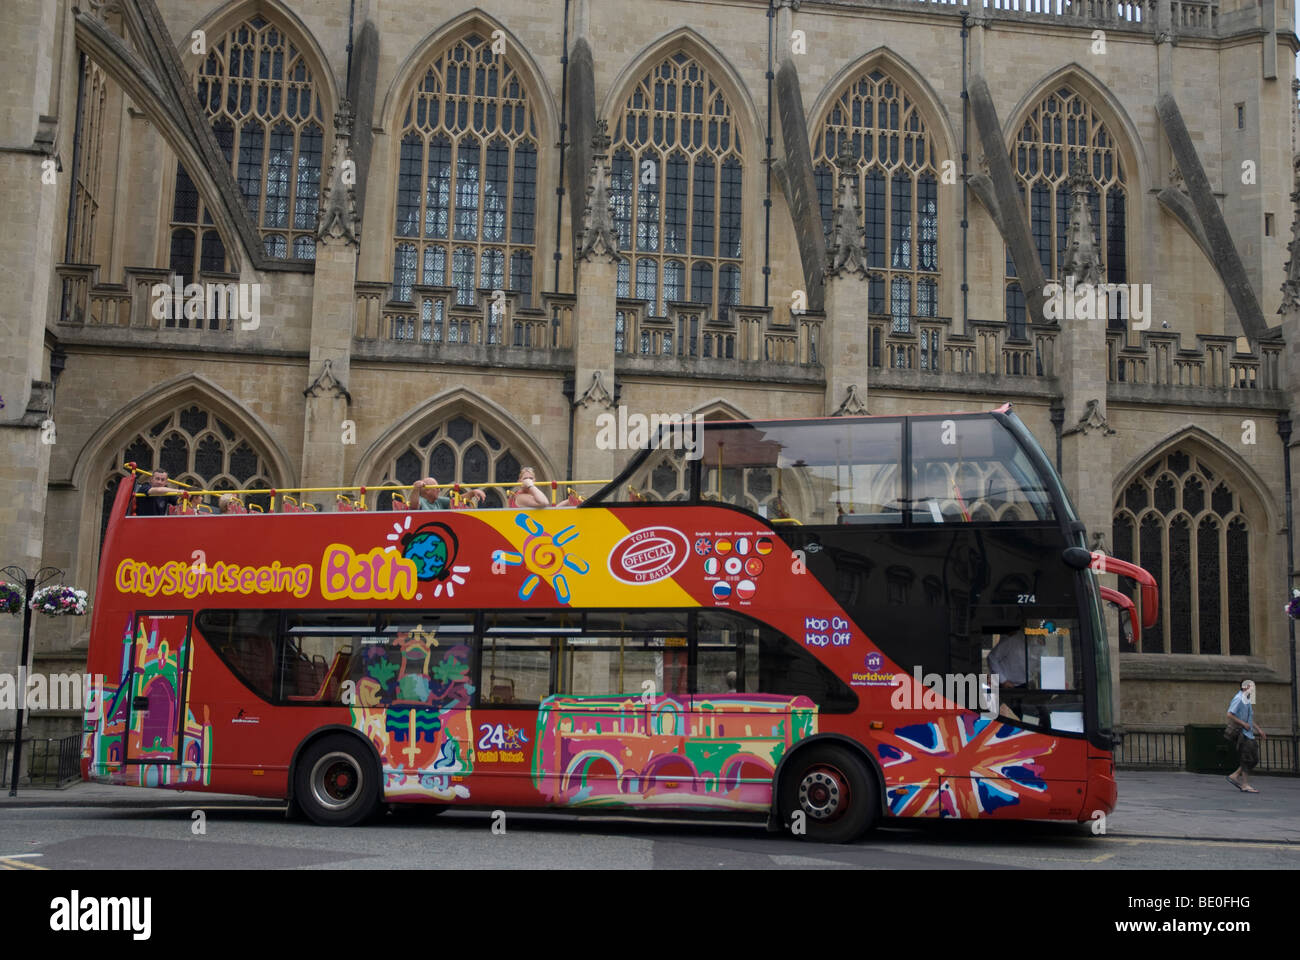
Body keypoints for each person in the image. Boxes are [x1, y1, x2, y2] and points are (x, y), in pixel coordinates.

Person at [1226, 679, 1266, 793]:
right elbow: (1229, 714)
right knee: (1247, 758)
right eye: (1251, 687)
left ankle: (1235, 775)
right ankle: (1245, 784)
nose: (1253, 689)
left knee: (1254, 759)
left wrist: (1259, 729)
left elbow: (1249, 718)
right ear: (1244, 687)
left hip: (1249, 733)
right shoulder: (1238, 699)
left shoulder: (1247, 700)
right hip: (1242, 733)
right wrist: (1243, 724)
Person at [410, 477, 485, 510]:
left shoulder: (439, 501)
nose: (439, 490)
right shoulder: (420, 500)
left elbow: (456, 500)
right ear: (427, 490)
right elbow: (413, 506)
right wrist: (416, 489)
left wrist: (472, 493)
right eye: (437, 488)